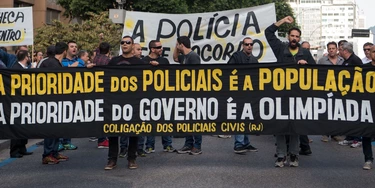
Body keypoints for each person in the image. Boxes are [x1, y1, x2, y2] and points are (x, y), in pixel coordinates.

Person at [265, 16, 316, 167]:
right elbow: (268, 32)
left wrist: (306, 65)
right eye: (292, 36)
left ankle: (294, 155)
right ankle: (281, 155)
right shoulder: (280, 48)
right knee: (280, 126)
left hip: (298, 96)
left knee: (295, 126)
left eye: (297, 36)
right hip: (281, 94)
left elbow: (315, 72)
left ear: (299, 38)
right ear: (288, 37)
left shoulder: (305, 53)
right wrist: (282, 21)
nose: (294, 38)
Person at [105, 35, 146, 170]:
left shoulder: (139, 62)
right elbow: (104, 76)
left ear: (132, 45)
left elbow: (148, 78)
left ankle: (132, 159)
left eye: (128, 42)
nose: (124, 44)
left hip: (133, 102)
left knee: (133, 130)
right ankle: (112, 159)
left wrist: (154, 66)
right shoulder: (114, 61)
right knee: (113, 131)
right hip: (116, 101)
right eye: (122, 42)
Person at [140, 40, 175, 153]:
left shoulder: (164, 60)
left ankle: (168, 144)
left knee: (164, 120)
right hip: (148, 95)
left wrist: (159, 66)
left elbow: (170, 74)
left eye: (161, 46)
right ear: (152, 49)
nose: (161, 49)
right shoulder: (144, 61)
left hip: (163, 95)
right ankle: (150, 145)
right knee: (150, 121)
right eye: (159, 47)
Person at [227, 37, 259, 154]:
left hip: (249, 94)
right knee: (240, 118)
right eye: (247, 44)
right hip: (238, 93)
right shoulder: (236, 56)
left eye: (251, 44)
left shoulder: (254, 60)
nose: (249, 46)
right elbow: (229, 71)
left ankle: (245, 143)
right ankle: (238, 144)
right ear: (243, 45)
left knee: (247, 118)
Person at [40, 42, 70, 164]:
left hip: (55, 100)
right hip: (50, 101)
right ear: (64, 51)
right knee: (51, 128)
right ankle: (47, 154)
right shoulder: (52, 63)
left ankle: (54, 152)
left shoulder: (53, 62)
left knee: (56, 128)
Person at [173, 36, 203, 155]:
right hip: (185, 93)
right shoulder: (184, 57)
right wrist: (176, 46)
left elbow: (195, 76)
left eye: (177, 44)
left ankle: (197, 146)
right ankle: (188, 144)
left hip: (194, 93)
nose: (176, 47)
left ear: (182, 44)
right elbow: (175, 58)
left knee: (195, 120)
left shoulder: (193, 56)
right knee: (187, 120)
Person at [9, 50, 34, 158]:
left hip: (24, 102)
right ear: (26, 58)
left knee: (24, 127)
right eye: (28, 56)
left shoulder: (25, 69)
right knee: (16, 128)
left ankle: (22, 148)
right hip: (16, 102)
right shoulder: (16, 68)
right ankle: (14, 151)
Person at [58, 41, 82, 151]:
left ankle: (67, 141)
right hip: (61, 94)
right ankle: (58, 142)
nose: (74, 49)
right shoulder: (61, 62)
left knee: (70, 119)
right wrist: (71, 67)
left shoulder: (80, 62)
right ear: (66, 49)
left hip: (74, 95)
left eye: (76, 47)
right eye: (72, 46)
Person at [361, 45, 375, 170]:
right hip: (368, 107)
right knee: (366, 132)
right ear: (370, 53)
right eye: (374, 51)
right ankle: (368, 159)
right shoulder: (364, 69)